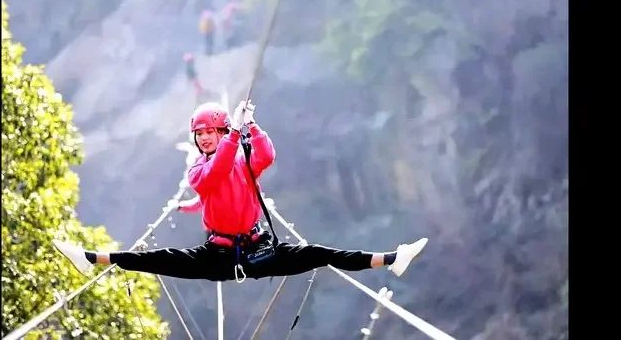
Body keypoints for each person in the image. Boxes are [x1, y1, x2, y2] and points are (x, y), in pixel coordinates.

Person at [53, 101, 428, 283]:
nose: (203, 138)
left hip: (258, 250)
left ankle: (391, 259)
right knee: (159, 258)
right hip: (217, 256)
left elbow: (266, 155)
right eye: (199, 134)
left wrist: (252, 126)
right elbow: (213, 177)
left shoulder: (241, 156)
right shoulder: (200, 167)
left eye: (209, 132)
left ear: (220, 132)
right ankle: (90, 258)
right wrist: (233, 135)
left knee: (318, 253)